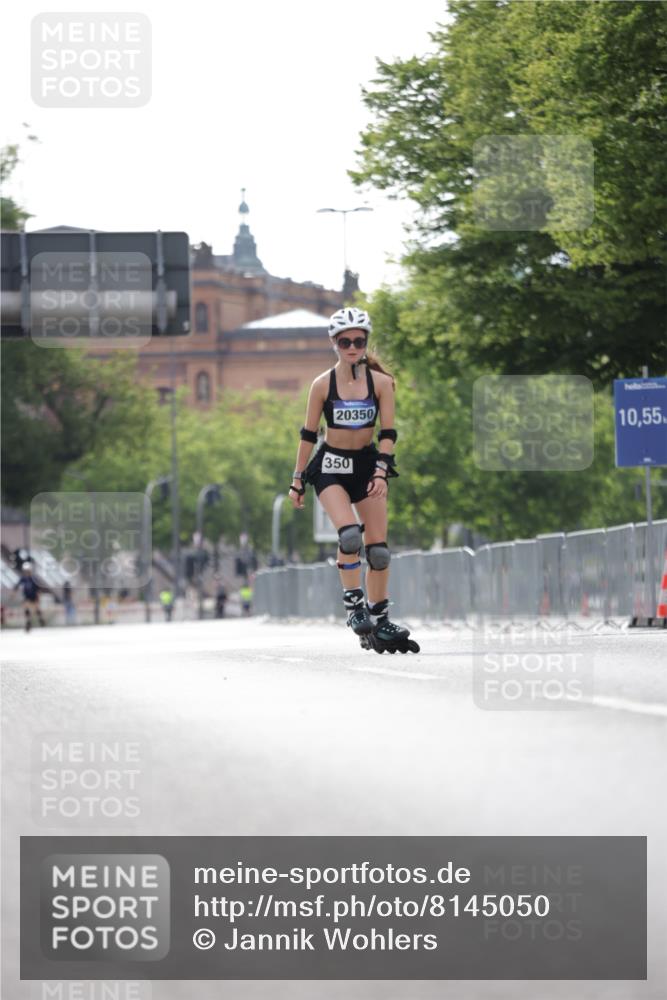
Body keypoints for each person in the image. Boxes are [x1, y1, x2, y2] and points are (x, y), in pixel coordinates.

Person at [288, 306, 411, 647]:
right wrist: (297, 479)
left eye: (358, 340)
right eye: (345, 342)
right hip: (330, 466)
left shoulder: (382, 383)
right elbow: (308, 435)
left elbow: (388, 433)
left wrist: (382, 471)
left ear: (366, 341)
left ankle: (380, 620)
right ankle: (355, 607)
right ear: (334, 343)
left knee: (379, 552)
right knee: (350, 536)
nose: (352, 347)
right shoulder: (322, 384)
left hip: (367, 465)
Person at [13, 562, 46, 632]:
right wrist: (14, 593)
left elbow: (39, 588)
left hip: (34, 596)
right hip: (27, 596)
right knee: (26, 607)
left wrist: (39, 595)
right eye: (26, 571)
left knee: (36, 609)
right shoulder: (23, 579)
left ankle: (41, 619)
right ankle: (28, 622)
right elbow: (17, 585)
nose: (27, 572)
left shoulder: (34, 578)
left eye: (28, 571)